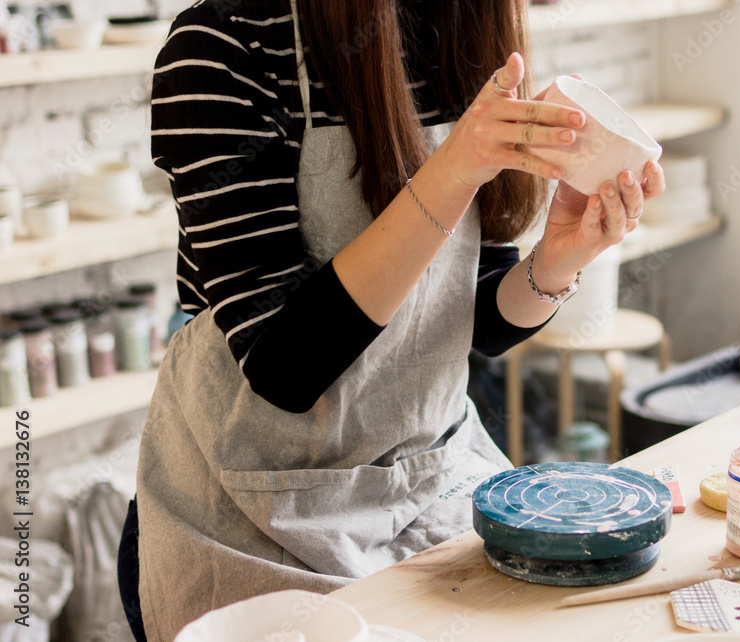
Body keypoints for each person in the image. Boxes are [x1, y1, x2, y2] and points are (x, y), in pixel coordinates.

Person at [118, 0, 665, 639]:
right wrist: (453, 170)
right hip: (258, 506)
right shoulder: (223, 44)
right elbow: (284, 365)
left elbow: (477, 315)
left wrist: (557, 263)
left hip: (427, 479)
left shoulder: (456, 19)